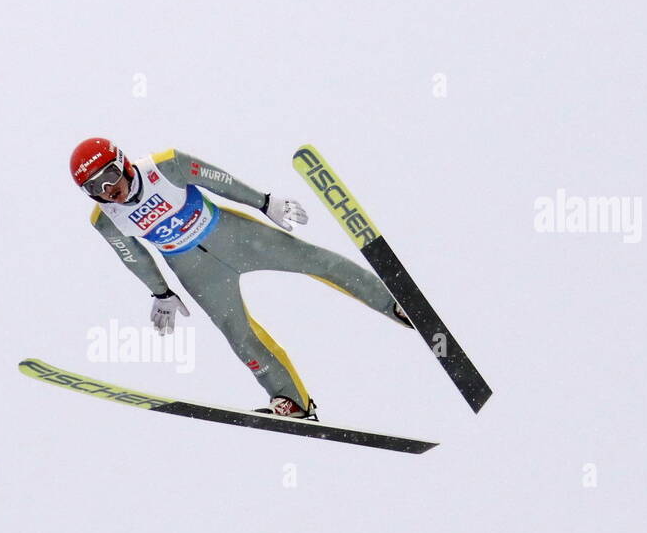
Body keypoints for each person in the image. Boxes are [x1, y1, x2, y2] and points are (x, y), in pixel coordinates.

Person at [70, 137, 411, 418]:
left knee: (314, 261)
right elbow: (132, 256)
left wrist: (263, 202)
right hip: (195, 270)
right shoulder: (105, 218)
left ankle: (393, 304)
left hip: (236, 237)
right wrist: (160, 293)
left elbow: (218, 180)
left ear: (125, 164)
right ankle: (291, 401)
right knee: (239, 335)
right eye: (95, 187)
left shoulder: (165, 164)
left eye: (110, 175)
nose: (108, 190)